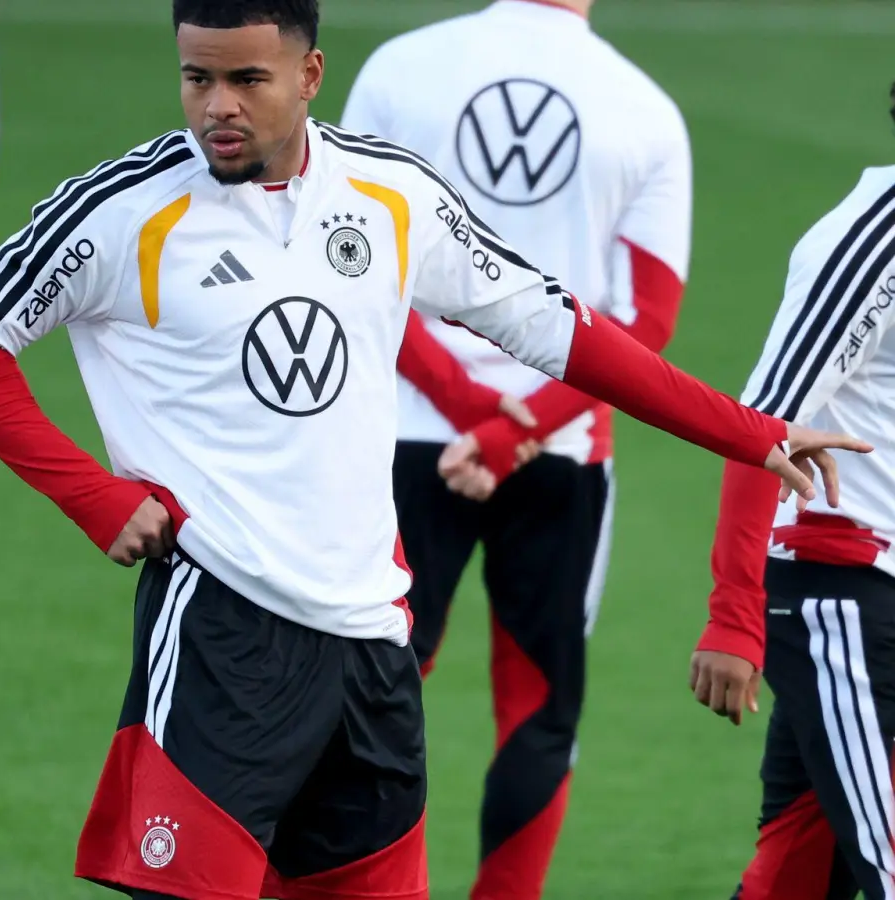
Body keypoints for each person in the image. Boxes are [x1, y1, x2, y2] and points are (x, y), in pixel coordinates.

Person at [0, 2, 864, 898]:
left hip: (371, 645)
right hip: (219, 631)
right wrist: (92, 495)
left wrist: (755, 432)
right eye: (196, 78)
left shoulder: (390, 192)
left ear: (311, 72)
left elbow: (563, 330)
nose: (218, 107)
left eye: (248, 78)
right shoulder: (123, 210)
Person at [339, 2, 692, 895]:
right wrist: (517, 427)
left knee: (362, 695)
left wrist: (467, 409)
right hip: (563, 446)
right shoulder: (645, 107)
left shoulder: (398, 66)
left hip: (403, 437)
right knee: (538, 710)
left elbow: (348, 264)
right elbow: (644, 321)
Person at [691, 89, 895, 900]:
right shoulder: (873, 241)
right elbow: (759, 427)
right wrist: (733, 616)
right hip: (841, 598)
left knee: (798, 876)